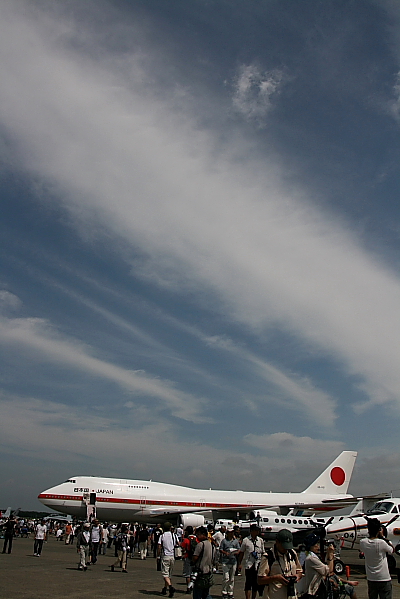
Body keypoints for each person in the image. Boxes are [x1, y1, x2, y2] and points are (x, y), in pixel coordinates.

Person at [257, 529, 303, 599]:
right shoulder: (268, 556)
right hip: (274, 595)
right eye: (284, 546)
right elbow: (260, 580)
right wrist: (276, 578)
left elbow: (300, 571)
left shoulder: (292, 553)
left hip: (291, 595)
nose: (286, 549)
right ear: (277, 542)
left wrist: (297, 576)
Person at [359, 518, 394, 599]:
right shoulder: (382, 543)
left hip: (371, 578)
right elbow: (392, 550)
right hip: (384, 578)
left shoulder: (363, 542)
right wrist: (384, 537)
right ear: (378, 530)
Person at [301, 532, 334, 598]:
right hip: (313, 593)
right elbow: (329, 570)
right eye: (316, 544)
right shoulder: (311, 558)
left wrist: (328, 554)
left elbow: (324, 566)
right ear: (311, 546)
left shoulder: (309, 556)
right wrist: (331, 555)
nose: (318, 546)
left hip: (315, 591)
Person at [238, 524, 265, 599]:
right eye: (256, 530)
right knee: (248, 583)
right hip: (249, 564)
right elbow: (242, 552)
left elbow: (263, 552)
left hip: (258, 564)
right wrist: (239, 564)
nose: (257, 532)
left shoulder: (260, 540)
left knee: (255, 584)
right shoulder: (246, 540)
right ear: (252, 531)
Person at [192, 525, 214, 599]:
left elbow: (195, 557)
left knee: (197, 594)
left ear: (203, 535)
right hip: (208, 572)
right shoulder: (209, 544)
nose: (197, 536)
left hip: (200, 573)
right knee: (206, 594)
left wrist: (192, 562)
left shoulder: (200, 544)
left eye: (198, 534)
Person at [219, 525, 241, 598]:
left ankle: (230, 592)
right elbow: (221, 549)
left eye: (232, 532)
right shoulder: (224, 541)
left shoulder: (235, 541)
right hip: (225, 561)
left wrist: (236, 552)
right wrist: (226, 553)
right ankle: (224, 591)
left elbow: (238, 549)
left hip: (233, 561)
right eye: (229, 532)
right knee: (226, 578)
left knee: (232, 578)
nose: (231, 534)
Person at [158, 522, 178, 597]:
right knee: (169, 574)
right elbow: (177, 544)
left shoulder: (162, 536)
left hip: (165, 555)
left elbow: (159, 546)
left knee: (165, 574)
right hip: (172, 556)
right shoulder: (174, 535)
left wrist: (158, 555)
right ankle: (165, 588)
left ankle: (170, 587)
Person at [181, 526, 198, 593]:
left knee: (187, 574)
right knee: (194, 573)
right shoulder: (196, 539)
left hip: (188, 557)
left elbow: (183, 548)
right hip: (195, 558)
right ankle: (193, 587)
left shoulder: (186, 540)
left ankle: (188, 588)